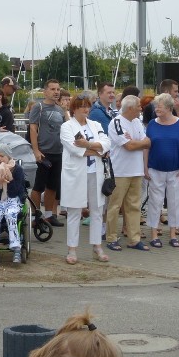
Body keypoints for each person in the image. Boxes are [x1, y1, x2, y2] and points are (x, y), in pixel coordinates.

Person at [60, 93, 111, 264]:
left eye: (87, 106)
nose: (86, 109)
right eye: (82, 106)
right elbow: (75, 150)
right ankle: (72, 249)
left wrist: (89, 145)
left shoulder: (95, 125)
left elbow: (106, 144)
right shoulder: (67, 127)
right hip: (76, 173)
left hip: (95, 171)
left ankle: (97, 246)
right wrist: (97, 150)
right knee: (74, 210)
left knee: (97, 209)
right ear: (74, 109)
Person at [144, 93, 179, 248]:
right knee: (154, 201)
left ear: (169, 108)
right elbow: (146, 147)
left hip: (176, 170)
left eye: (160, 106)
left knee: (175, 201)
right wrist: (145, 167)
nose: (157, 108)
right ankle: (154, 234)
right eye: (156, 106)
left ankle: (172, 234)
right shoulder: (151, 124)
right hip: (155, 169)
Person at [106, 95, 150, 251]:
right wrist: (139, 143)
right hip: (120, 171)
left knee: (134, 206)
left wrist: (136, 142)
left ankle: (134, 239)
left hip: (136, 170)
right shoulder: (116, 122)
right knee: (115, 206)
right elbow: (129, 146)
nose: (141, 108)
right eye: (138, 105)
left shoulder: (138, 122)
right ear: (131, 108)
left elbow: (148, 142)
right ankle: (111, 237)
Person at [29, 79, 65, 227]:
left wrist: (65, 110)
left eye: (58, 89)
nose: (56, 92)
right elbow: (32, 129)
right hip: (44, 152)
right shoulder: (39, 107)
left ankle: (50, 215)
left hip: (59, 151)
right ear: (45, 91)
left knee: (53, 186)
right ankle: (35, 215)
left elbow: (67, 126)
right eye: (52, 89)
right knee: (38, 186)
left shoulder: (60, 109)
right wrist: (36, 150)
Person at [0, 142, 26, 263]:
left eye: (1, 156)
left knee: (11, 214)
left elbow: (17, 191)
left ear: (8, 156)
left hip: (13, 199)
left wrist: (9, 180)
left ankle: (16, 247)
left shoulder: (17, 170)